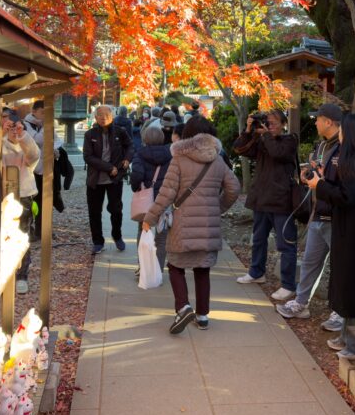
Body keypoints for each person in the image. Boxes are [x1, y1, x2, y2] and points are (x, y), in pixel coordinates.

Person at [142, 116, 240, 332]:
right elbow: (234, 188)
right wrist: (219, 207)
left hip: (183, 224)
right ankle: (203, 316)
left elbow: (166, 194)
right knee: (202, 268)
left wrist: (150, 218)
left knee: (175, 265)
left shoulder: (179, 158)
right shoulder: (218, 160)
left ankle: (184, 307)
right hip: (208, 225)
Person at [301, 112, 355, 359]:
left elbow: (348, 197)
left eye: (343, 130)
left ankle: (353, 345)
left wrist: (320, 186)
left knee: (352, 283)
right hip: (353, 228)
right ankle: (348, 339)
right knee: (348, 282)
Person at [276, 103, 346, 331]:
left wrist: (322, 178)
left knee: (339, 267)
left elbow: (344, 186)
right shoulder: (322, 146)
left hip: (337, 216)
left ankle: (340, 312)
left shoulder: (345, 148)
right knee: (309, 262)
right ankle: (301, 303)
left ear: (328, 121)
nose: (315, 122)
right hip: (319, 211)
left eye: (318, 119)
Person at [233, 110, 299, 301]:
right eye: (266, 123)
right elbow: (241, 149)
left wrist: (266, 136)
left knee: (285, 244)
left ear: (284, 123)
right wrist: (248, 130)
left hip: (281, 201)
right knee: (258, 239)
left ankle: (288, 285)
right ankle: (256, 272)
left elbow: (278, 154)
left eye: (272, 123)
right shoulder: (264, 141)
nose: (269, 126)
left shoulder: (289, 140)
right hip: (262, 199)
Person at [83, 105, 134, 254]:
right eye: (100, 114)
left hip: (115, 178)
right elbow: (88, 157)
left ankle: (117, 237)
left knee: (116, 210)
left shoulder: (120, 131)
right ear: (95, 117)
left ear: (112, 116)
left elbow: (130, 145)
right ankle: (98, 242)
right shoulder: (89, 134)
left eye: (107, 114)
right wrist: (108, 167)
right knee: (94, 211)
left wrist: (127, 159)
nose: (104, 117)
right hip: (95, 180)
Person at [1, 114, 40, 293]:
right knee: (0, 236)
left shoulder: (25, 142)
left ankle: (22, 274)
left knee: (22, 235)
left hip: (23, 194)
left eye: (15, 126)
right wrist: (2, 134)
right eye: (8, 124)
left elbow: (33, 155)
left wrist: (22, 135)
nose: (13, 130)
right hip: (1, 195)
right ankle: (2, 273)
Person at [131, 122, 172, 272]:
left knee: (143, 231)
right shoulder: (170, 155)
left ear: (145, 138)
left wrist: (136, 188)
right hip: (164, 198)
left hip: (145, 200)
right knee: (162, 237)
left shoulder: (140, 154)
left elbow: (137, 175)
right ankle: (158, 269)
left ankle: (143, 267)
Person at [23, 100, 63, 241]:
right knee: (32, 202)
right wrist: (47, 128)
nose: (45, 115)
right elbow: (36, 141)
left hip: (46, 167)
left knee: (46, 200)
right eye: (42, 112)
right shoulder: (26, 125)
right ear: (33, 111)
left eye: (47, 113)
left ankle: (44, 229)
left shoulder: (46, 125)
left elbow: (57, 140)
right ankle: (31, 230)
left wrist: (53, 147)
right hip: (31, 169)